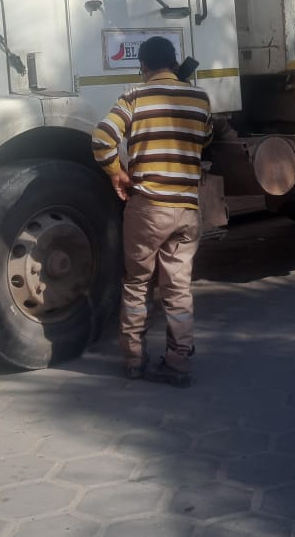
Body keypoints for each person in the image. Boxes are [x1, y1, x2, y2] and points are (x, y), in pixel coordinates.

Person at [91, 36, 214, 388]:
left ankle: (134, 360)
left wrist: (116, 172)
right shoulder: (200, 99)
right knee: (178, 287)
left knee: (137, 284)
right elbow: (206, 139)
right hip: (186, 210)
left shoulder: (134, 97)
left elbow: (102, 138)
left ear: (143, 66)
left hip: (147, 209)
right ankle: (178, 362)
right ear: (173, 64)